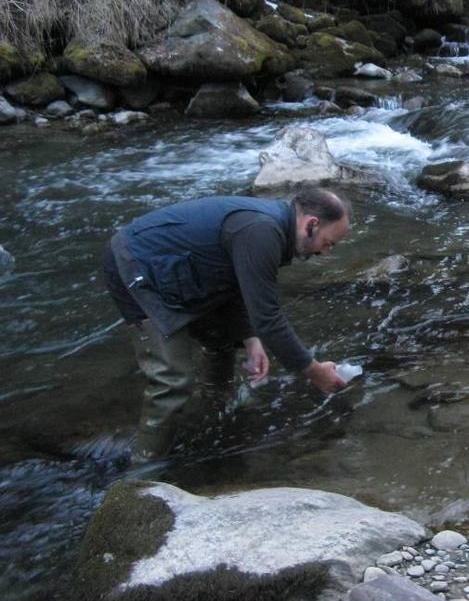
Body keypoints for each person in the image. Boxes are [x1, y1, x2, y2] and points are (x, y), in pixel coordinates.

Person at [102, 186, 351, 463]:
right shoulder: (261, 231)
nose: (326, 252)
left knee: (221, 340)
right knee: (172, 379)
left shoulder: (274, 229)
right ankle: (143, 468)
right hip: (136, 265)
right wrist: (314, 371)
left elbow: (237, 285)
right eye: (328, 243)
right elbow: (269, 318)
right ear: (311, 224)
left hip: (184, 270)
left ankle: (216, 414)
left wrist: (249, 338)